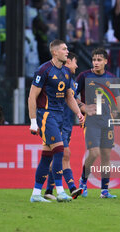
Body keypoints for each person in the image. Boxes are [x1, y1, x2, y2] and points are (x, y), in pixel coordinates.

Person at [28, 39, 84, 203]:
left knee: (47, 156)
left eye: (67, 49)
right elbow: (32, 96)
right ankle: (60, 191)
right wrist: (33, 121)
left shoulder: (66, 73)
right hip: (46, 114)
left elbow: (69, 96)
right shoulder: (43, 70)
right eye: (64, 49)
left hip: (59, 116)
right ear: (55, 52)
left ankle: (36, 194)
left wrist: (78, 113)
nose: (67, 52)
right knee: (60, 150)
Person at [76, 48, 120, 198]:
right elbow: (71, 95)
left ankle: (104, 191)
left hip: (107, 121)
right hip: (91, 121)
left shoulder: (111, 78)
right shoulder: (84, 76)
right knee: (94, 153)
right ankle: (83, 182)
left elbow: (117, 99)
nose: (96, 63)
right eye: (94, 60)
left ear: (106, 61)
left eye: (99, 60)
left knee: (106, 156)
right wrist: (83, 107)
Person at [44, 52, 83, 200]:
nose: (76, 65)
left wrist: (85, 111)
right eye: (75, 62)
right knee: (64, 154)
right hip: (57, 122)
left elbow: (74, 101)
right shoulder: (57, 79)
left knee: (57, 157)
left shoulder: (71, 82)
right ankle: (71, 188)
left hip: (67, 125)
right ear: (67, 62)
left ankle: (49, 190)